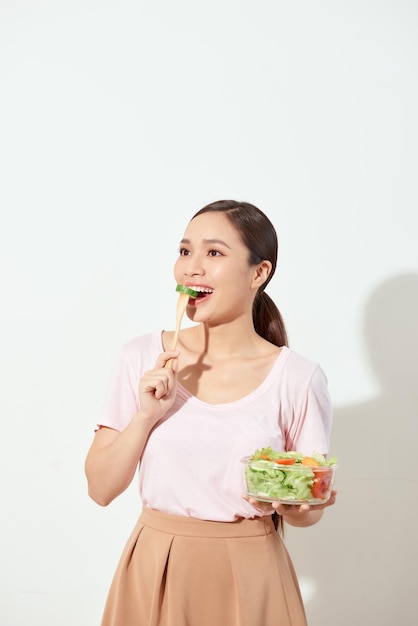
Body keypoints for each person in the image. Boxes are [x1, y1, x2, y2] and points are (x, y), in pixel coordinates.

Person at [85, 199, 336, 626]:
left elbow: (309, 508)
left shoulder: (298, 378)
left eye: (214, 253)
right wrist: (146, 416)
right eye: (185, 251)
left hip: (253, 573)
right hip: (154, 567)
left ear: (260, 273)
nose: (191, 268)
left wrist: (296, 506)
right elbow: (101, 489)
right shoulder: (141, 358)